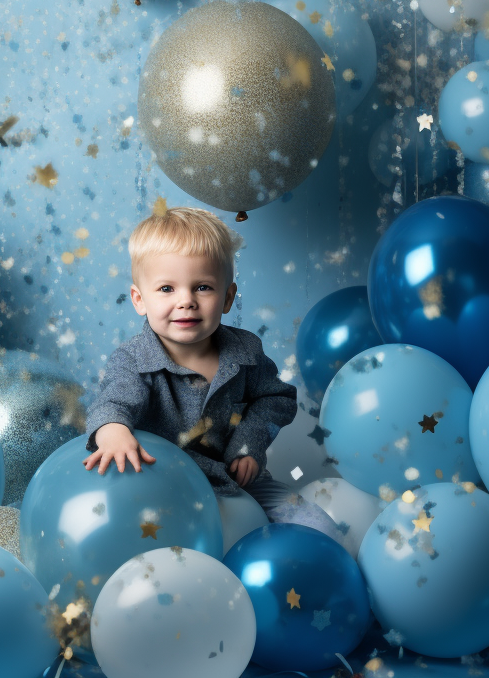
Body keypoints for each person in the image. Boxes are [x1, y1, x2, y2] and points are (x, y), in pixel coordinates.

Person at [82, 206, 333, 528]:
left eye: (202, 287)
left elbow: (276, 400)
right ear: (139, 299)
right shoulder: (134, 360)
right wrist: (112, 431)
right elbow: (114, 402)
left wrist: (248, 446)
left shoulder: (245, 352)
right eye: (166, 289)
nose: (186, 300)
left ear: (228, 298)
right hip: (164, 490)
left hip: (239, 483)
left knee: (317, 526)